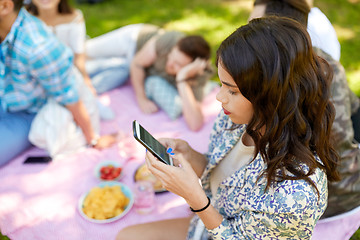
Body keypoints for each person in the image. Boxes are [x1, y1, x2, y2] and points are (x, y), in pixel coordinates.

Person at [117, 16, 340, 239]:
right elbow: (224, 177)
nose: (219, 97)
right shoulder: (235, 119)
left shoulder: (297, 195)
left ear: (271, 98)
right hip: (205, 223)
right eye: (222, 84)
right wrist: (189, 155)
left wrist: (197, 201)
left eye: (232, 91)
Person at [250, 0, 360, 219]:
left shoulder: (266, 78)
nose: (247, 37)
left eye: (253, 27)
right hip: (345, 184)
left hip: (321, 199)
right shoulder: (327, 63)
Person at [0, 0, 116, 166]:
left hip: (26, 113)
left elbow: (70, 97)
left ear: (5, 6)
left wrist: (93, 139)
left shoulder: (39, 47)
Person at [85, 24, 213, 131]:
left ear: (192, 68)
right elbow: (137, 64)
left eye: (178, 65)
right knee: (85, 50)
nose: (169, 64)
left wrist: (182, 80)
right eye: (171, 57)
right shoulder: (169, 40)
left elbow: (195, 124)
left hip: (126, 66)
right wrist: (142, 98)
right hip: (132, 42)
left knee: (111, 67)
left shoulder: (198, 76)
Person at [26, 0, 115, 120]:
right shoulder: (23, 20)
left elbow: (78, 57)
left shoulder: (74, 17)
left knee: (120, 68)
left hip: (68, 71)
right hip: (37, 77)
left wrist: (86, 81)